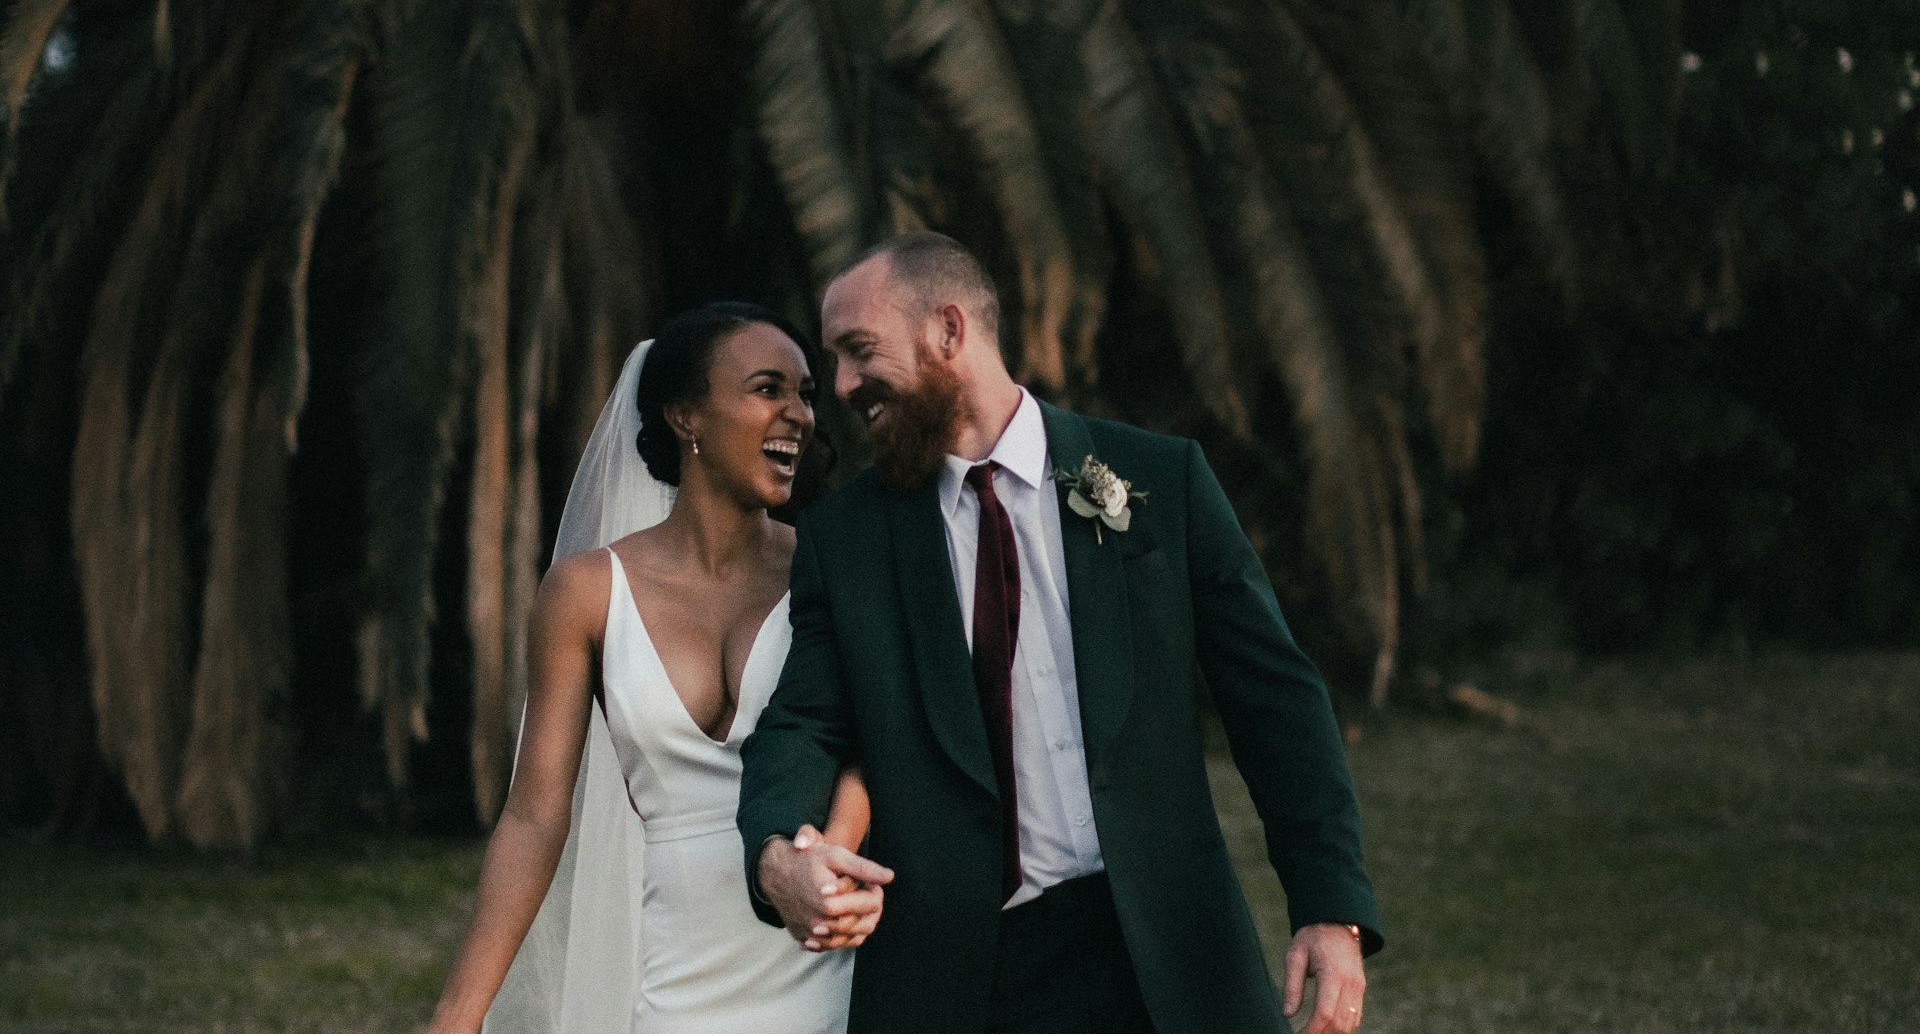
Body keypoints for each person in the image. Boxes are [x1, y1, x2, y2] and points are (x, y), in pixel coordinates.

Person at [739, 233, 1383, 1034]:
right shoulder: (848, 540)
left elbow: (1277, 703)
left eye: (858, 350)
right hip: (962, 981)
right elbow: (803, 722)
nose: (841, 385)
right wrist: (775, 855)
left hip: (1167, 958)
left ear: (949, 331)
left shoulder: (1161, 481)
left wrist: (1331, 907)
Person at [429, 303, 886, 1034]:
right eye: (768, 388)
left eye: (805, 393)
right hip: (681, 977)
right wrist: (457, 1015)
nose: (799, 414)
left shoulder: (828, 567)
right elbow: (534, 815)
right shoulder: (585, 592)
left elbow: (873, 743)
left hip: (823, 950)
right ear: (685, 417)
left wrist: (831, 862)